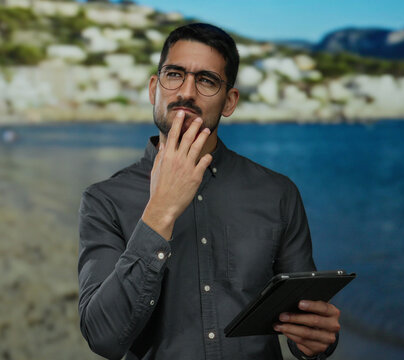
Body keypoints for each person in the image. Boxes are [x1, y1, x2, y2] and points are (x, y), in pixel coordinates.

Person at [78, 23, 341, 360]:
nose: (186, 92)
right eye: (174, 74)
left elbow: (303, 319)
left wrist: (317, 341)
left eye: (206, 80)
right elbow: (103, 339)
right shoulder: (103, 200)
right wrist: (160, 211)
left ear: (229, 101)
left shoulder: (278, 193)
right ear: (153, 89)